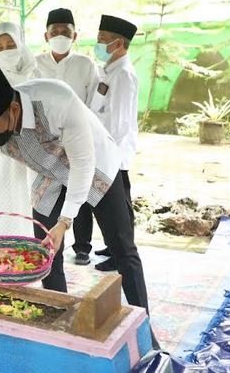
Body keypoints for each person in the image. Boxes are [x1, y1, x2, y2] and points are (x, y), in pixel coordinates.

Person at [0, 64, 152, 321]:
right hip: (49, 173)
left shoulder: (57, 101)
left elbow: (83, 164)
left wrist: (64, 222)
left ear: (14, 110)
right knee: (45, 252)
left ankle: (145, 326)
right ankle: (61, 321)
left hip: (96, 165)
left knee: (122, 247)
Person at [34, 8, 103, 266]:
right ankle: (47, 242)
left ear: (75, 36)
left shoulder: (85, 65)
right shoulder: (36, 64)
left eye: (66, 32)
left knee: (80, 190)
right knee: (49, 193)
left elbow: (95, 103)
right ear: (46, 35)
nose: (60, 35)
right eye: (55, 32)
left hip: (78, 138)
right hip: (45, 143)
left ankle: (83, 246)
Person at [79, 15, 139, 272]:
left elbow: (120, 123)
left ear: (119, 43)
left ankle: (121, 252)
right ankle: (113, 246)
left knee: (120, 207)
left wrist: (104, 150)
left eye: (103, 40)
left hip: (113, 153)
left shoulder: (123, 74)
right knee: (108, 204)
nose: (98, 44)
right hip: (102, 150)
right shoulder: (109, 70)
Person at [0, 22, 37, 236]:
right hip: (0, 153)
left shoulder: (35, 74)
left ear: (20, 45)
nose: (5, 51)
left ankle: (32, 249)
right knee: (2, 199)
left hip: (33, 152)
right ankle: (2, 243)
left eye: (10, 44)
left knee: (30, 201)